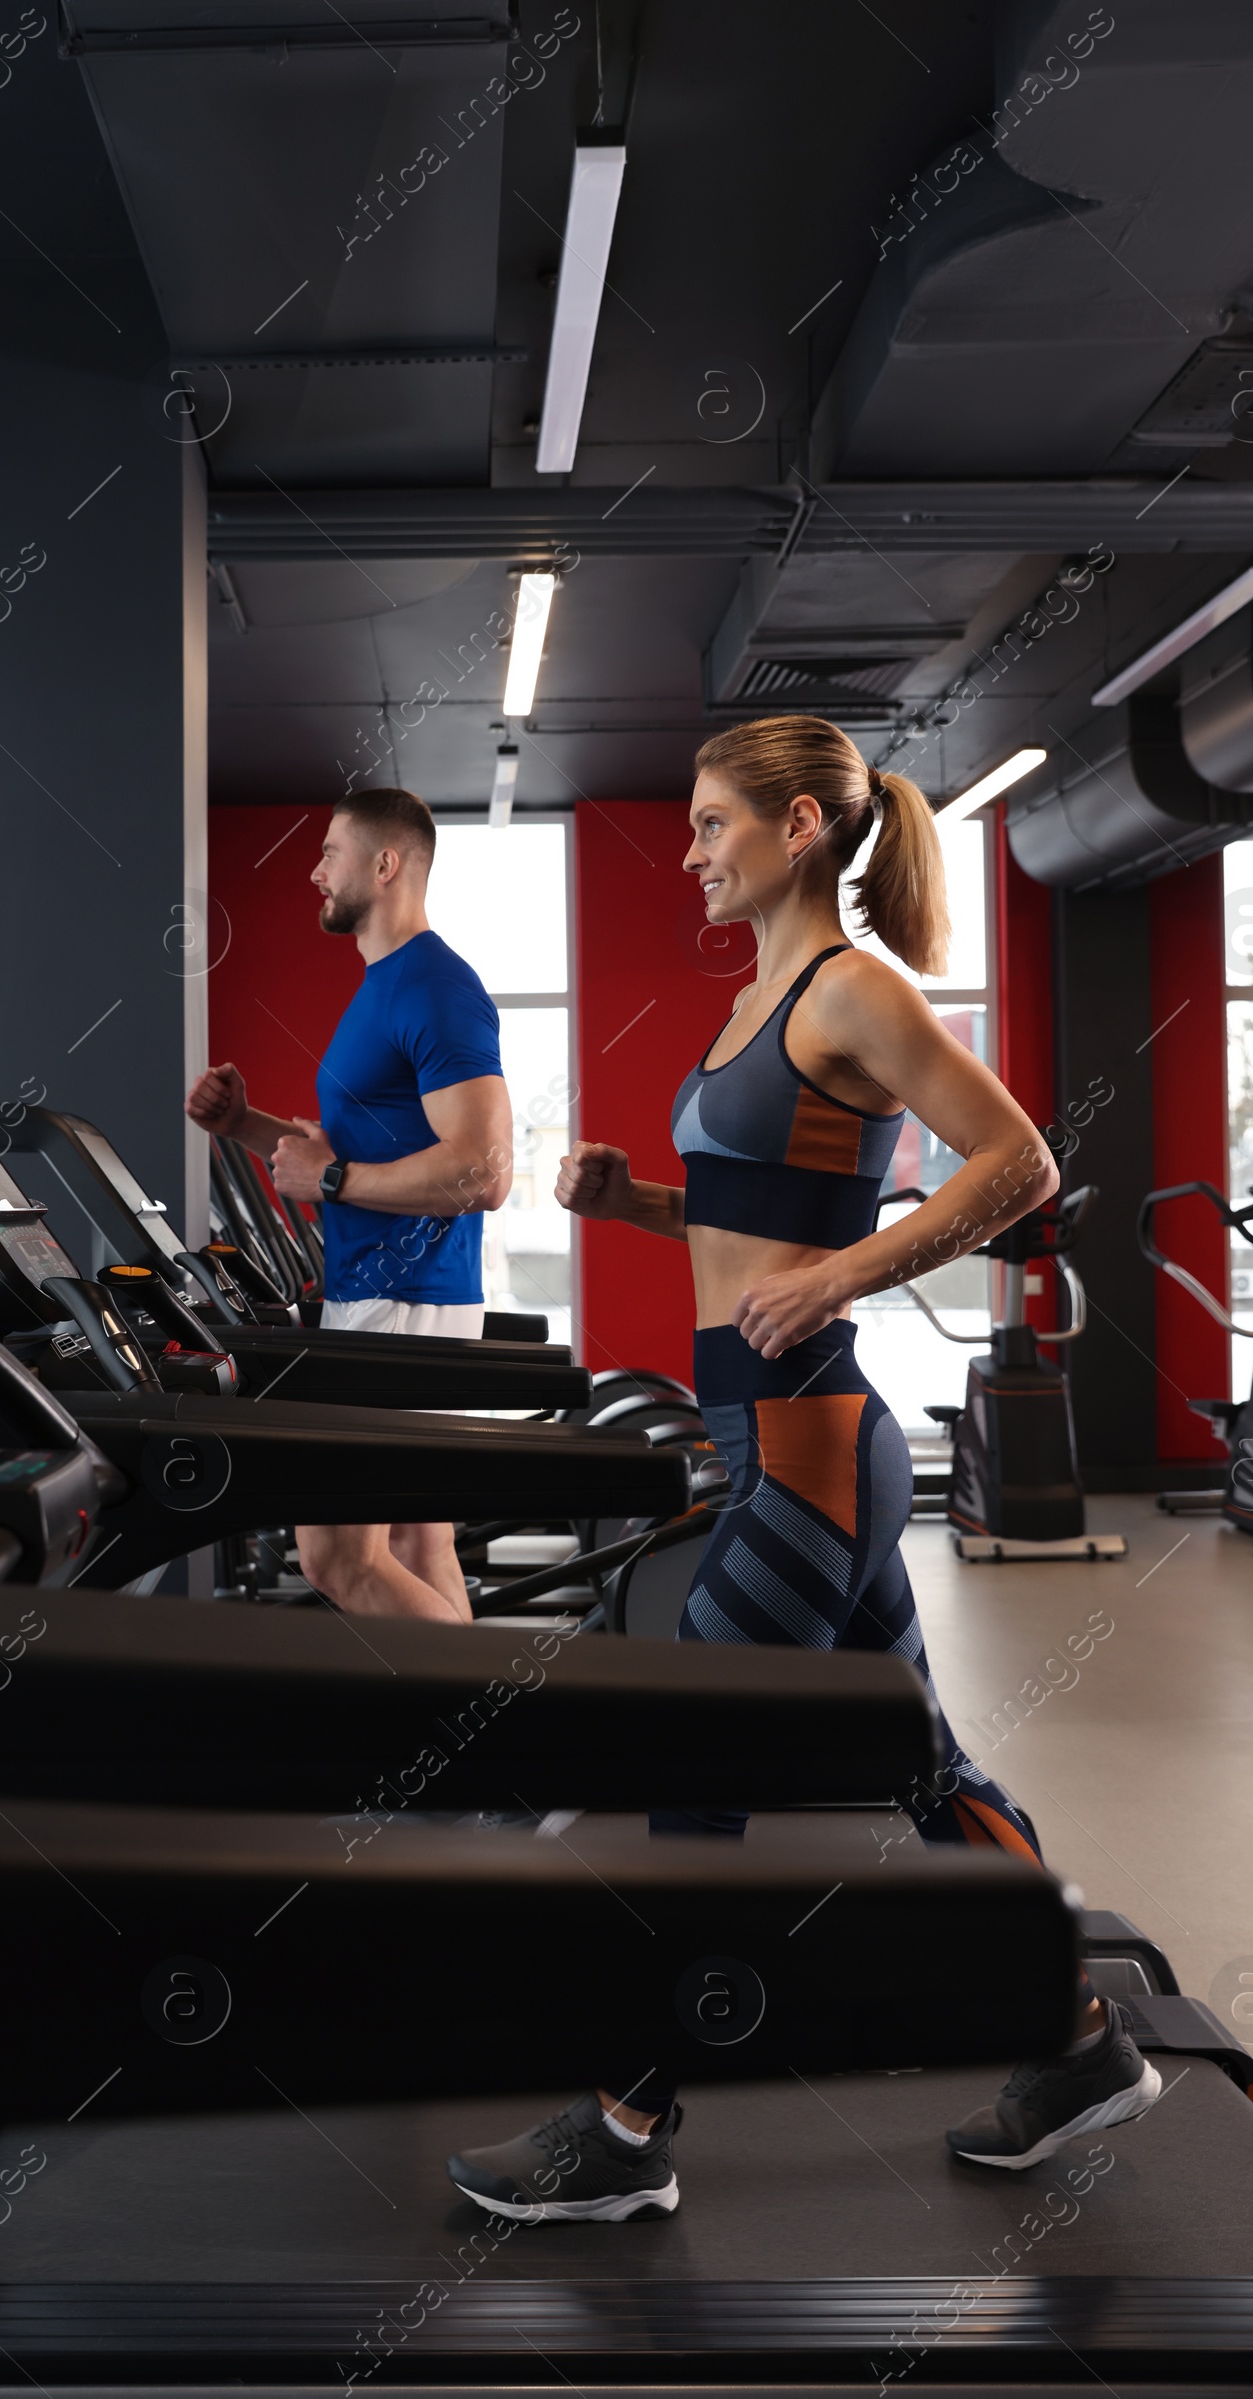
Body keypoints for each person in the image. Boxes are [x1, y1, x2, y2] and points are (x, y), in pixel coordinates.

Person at [446, 714, 1160, 2220]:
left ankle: (627, 2125)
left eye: (714, 823)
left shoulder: (854, 989)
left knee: (693, 1775)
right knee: (919, 1768)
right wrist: (631, 1197)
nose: (693, 849)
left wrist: (842, 1280)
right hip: (775, 1441)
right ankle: (1084, 2040)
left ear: (801, 830)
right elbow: (752, 1220)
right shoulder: (759, 999)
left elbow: (1018, 1162)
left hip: (811, 1451)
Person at [186, 786, 512, 1623]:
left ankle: (502, 1720)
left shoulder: (436, 986)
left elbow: (485, 1170)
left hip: (405, 1304)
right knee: (415, 1542)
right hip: (393, 1295)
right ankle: (464, 1739)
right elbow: (343, 1155)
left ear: (385, 863)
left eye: (330, 851)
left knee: (335, 1554)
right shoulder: (384, 985)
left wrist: (333, 1183)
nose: (313, 870)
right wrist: (243, 1125)